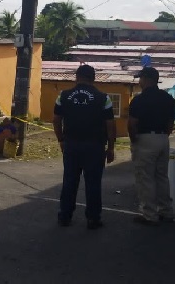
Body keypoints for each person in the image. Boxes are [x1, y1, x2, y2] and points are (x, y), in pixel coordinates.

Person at [53, 64, 116, 229]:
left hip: (71, 145)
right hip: (95, 147)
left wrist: (61, 139)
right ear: (93, 78)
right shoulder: (104, 98)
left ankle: (64, 217)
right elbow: (110, 125)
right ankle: (93, 219)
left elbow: (56, 119)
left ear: (76, 77)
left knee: (69, 181)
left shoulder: (63, 96)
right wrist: (110, 147)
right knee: (93, 183)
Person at [128, 66, 175, 226]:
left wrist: (134, 139)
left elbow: (132, 123)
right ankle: (166, 211)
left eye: (141, 78)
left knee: (146, 178)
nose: (139, 82)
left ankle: (149, 214)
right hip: (163, 138)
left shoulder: (139, 100)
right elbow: (171, 123)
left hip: (145, 139)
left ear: (147, 79)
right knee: (162, 176)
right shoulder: (168, 98)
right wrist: (163, 136)